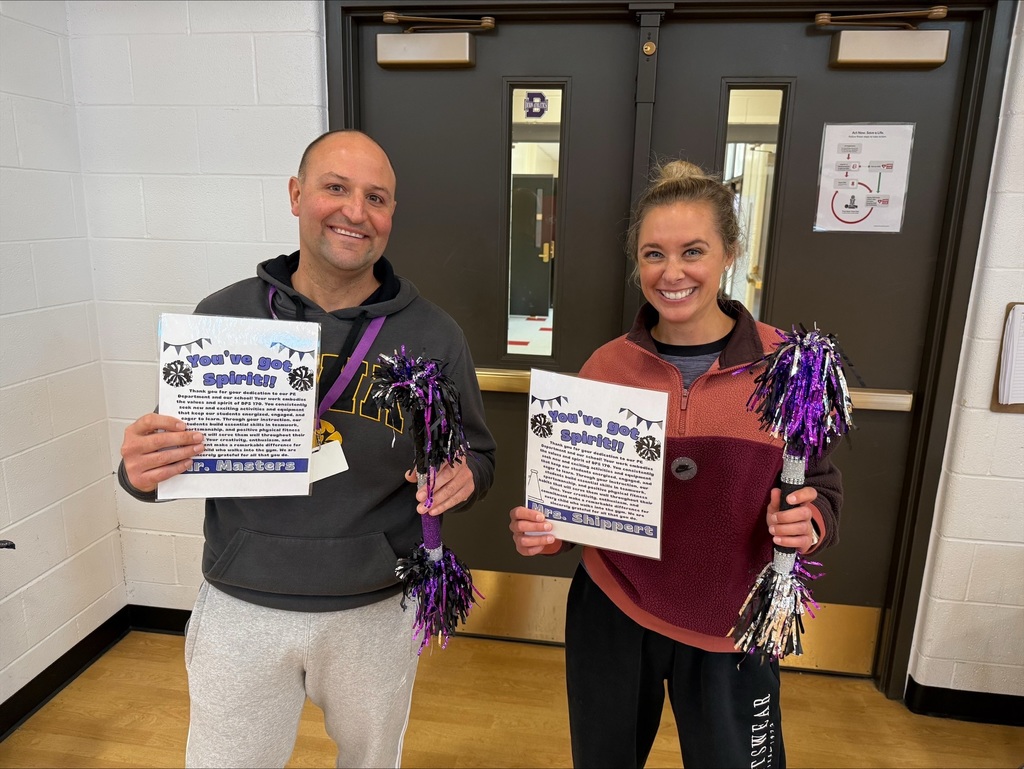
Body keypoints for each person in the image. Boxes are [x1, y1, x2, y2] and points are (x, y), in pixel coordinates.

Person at [119, 129, 496, 769]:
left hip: (375, 606)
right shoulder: (223, 317)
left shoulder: (434, 333)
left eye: (376, 198)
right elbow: (166, 459)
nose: (356, 211)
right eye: (336, 188)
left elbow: (479, 457)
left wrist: (466, 478)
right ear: (297, 196)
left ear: (391, 216)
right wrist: (140, 471)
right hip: (241, 601)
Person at [509, 160, 843, 769]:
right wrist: (546, 530)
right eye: (653, 255)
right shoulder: (607, 366)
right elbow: (573, 500)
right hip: (614, 607)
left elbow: (820, 487)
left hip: (734, 622)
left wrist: (811, 520)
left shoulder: (787, 366)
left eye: (693, 251)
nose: (673, 272)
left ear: (730, 254)